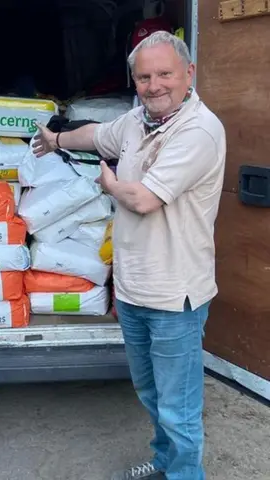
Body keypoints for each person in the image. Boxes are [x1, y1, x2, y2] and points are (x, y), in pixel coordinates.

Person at [33, 31, 226, 480]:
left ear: (189, 74)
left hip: (176, 296)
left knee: (178, 408)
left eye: (164, 74)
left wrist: (110, 185)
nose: (154, 85)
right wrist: (56, 140)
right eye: (144, 77)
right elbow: (98, 134)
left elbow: (142, 199)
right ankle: (164, 465)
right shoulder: (138, 121)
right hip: (136, 290)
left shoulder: (200, 130)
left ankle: (183, 475)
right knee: (151, 394)